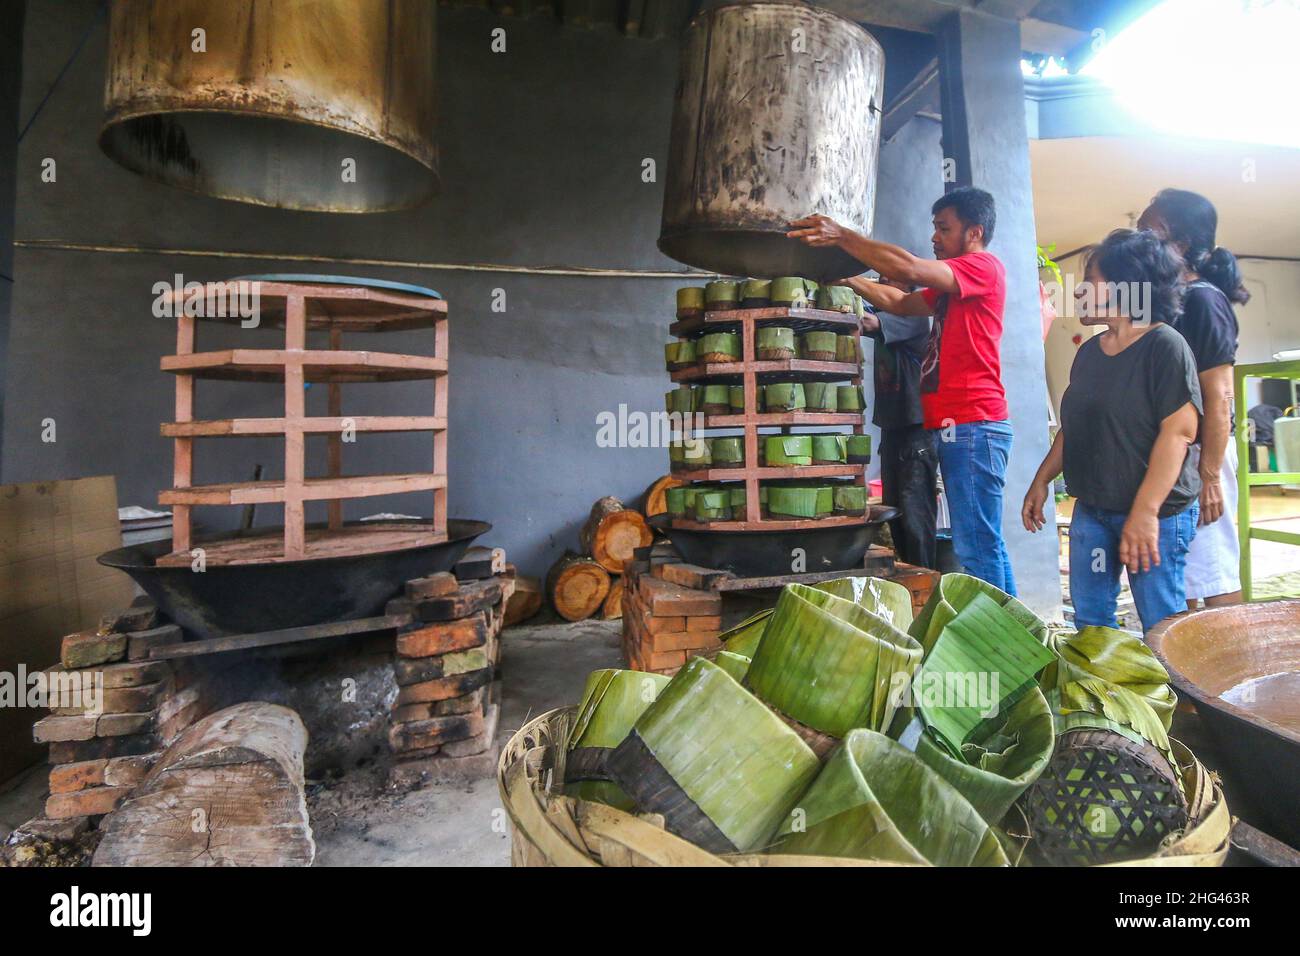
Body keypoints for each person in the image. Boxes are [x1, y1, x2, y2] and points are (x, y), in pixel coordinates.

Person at [788, 186, 1016, 593]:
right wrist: (851, 279)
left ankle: (1003, 644)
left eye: (943, 229)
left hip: (975, 424)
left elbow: (909, 269)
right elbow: (900, 303)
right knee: (981, 543)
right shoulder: (951, 291)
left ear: (974, 232)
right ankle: (1015, 639)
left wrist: (841, 236)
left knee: (977, 545)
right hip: (959, 426)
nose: (935, 238)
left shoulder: (984, 267)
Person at [1022, 229, 1202, 632]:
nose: (1081, 290)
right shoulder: (1089, 353)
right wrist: (1042, 481)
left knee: (1161, 624)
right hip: (1094, 510)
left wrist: (1145, 512)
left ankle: (1176, 697)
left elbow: (1179, 434)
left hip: (1158, 512)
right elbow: (1076, 426)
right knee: (1091, 623)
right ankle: (1104, 694)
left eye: (1090, 280)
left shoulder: (1164, 347)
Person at [1137, 189, 1249, 609]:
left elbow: (1219, 397)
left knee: (1212, 572)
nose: (1140, 241)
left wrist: (1210, 476)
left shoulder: (1203, 300)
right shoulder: (1168, 303)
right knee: (1181, 576)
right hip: (1172, 452)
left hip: (1202, 455)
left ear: (1179, 246)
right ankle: (1189, 671)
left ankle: (1232, 672)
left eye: (1149, 232)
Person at [836, 277, 938, 568]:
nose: (879, 282)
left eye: (887, 279)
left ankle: (925, 582)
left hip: (916, 430)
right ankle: (911, 581)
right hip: (894, 428)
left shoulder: (914, 317)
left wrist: (847, 280)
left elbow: (865, 322)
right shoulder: (888, 312)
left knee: (915, 514)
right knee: (896, 511)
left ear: (906, 287)